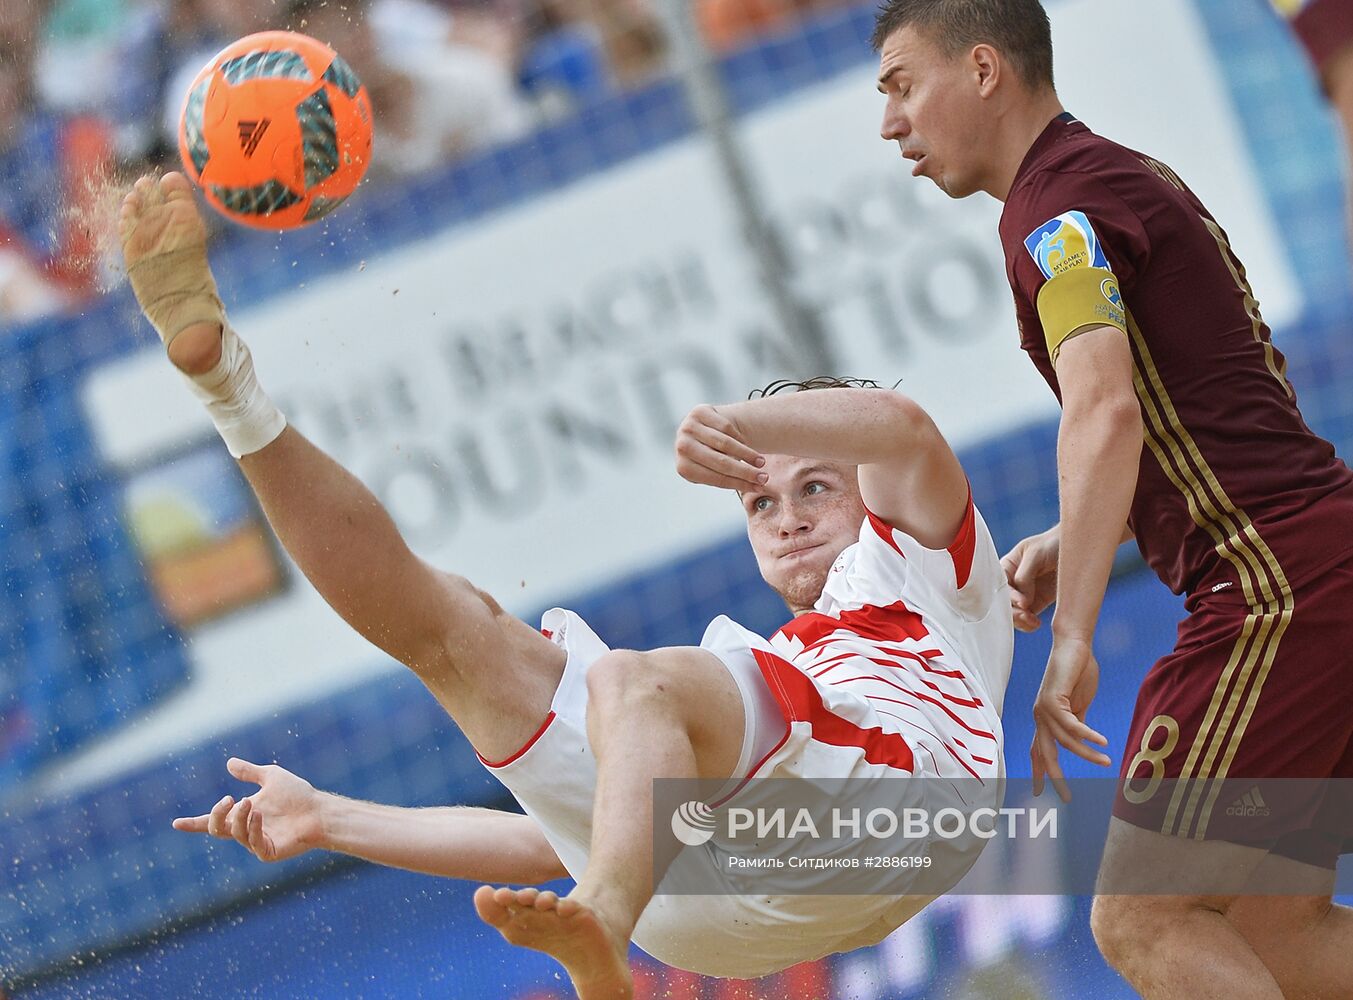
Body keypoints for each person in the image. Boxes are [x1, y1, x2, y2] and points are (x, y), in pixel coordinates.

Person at [122, 173, 1014, 998]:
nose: (784, 517)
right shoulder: (776, 697)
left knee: (632, 686)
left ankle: (603, 919)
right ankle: (225, 385)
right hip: (716, 913)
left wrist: (734, 422)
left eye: (814, 486)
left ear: (868, 493)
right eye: (757, 503)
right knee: (458, 636)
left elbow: (901, 428)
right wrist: (330, 817)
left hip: (915, 809)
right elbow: (551, 836)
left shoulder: (923, 568)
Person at [871, 1, 1353, 996]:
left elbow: (1105, 410)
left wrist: (1076, 634)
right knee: (1265, 936)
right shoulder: (1105, 175)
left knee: (1142, 916)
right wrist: (1089, 524)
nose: (890, 123)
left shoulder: (1055, 218)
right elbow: (1203, 408)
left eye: (902, 84)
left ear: (985, 68)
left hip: (1276, 590)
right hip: (1317, 561)